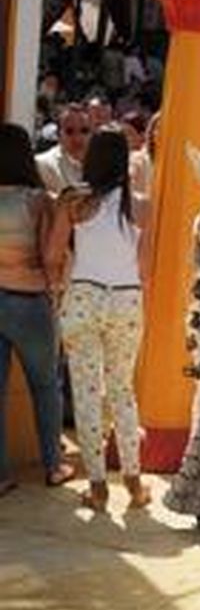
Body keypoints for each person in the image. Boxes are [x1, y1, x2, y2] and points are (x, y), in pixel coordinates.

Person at [46, 127, 150, 511]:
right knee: (122, 390)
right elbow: (145, 268)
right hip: (126, 299)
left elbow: (54, 254)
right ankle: (135, 483)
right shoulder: (141, 205)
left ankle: (97, 485)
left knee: (87, 393)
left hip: (84, 297)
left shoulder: (73, 200)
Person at [0, 124, 72, 493]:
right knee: (46, 386)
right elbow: (50, 255)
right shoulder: (38, 200)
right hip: (29, 300)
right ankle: (54, 464)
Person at [36, 104, 91, 193]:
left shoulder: (103, 163)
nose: (77, 138)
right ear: (58, 134)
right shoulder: (43, 164)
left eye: (84, 131)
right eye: (69, 131)